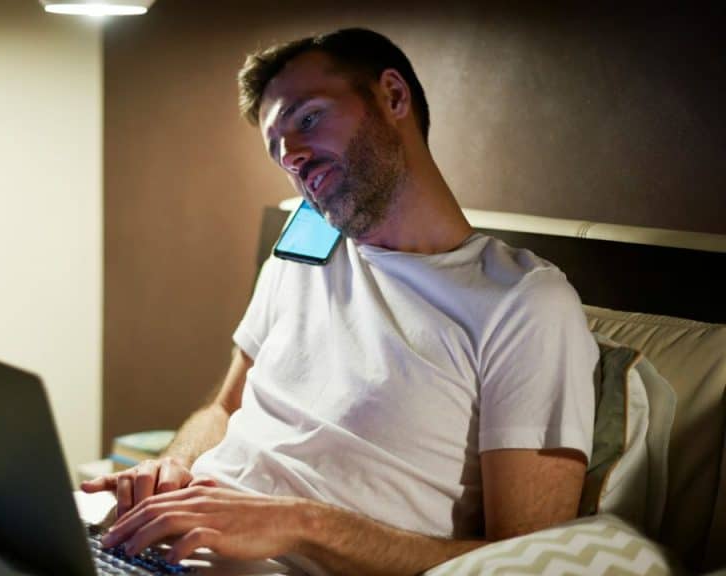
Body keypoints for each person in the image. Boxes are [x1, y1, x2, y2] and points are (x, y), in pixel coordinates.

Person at [83, 28, 597, 575]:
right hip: (164, 548)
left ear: (393, 96)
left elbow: (526, 563)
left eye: (307, 119)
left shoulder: (521, 303)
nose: (292, 157)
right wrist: (175, 464)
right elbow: (223, 409)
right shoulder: (305, 248)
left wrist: (302, 523)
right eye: (277, 147)